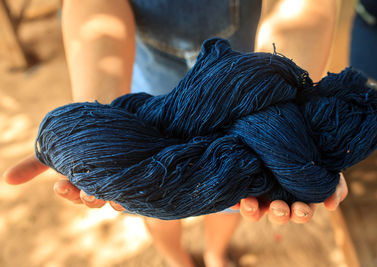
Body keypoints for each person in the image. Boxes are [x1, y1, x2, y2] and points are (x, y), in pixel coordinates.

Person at [3, 0, 348, 267]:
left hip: (243, 69)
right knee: (149, 198)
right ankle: (177, 259)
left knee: (229, 198)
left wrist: (285, 106)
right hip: (144, 72)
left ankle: (215, 253)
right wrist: (98, 123)